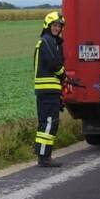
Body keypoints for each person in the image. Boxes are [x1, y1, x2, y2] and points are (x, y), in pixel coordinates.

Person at [33, 10, 66, 166]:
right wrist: (63, 74)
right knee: (49, 122)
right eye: (54, 25)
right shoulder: (48, 41)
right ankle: (44, 158)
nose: (57, 28)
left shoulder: (48, 41)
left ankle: (42, 154)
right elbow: (54, 64)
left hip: (47, 91)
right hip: (48, 91)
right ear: (48, 25)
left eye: (59, 26)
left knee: (44, 123)